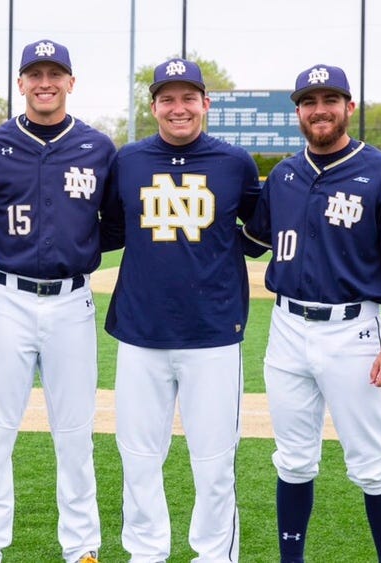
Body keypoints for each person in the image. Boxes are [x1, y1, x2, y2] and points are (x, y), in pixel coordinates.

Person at [242, 64, 381, 562]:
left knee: (373, 464)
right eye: (309, 102)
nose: (319, 110)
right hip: (286, 331)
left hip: (354, 332)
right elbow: (251, 242)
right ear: (297, 112)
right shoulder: (284, 174)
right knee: (294, 460)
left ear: (349, 107)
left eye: (329, 100)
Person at [99, 58, 262, 562]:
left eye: (188, 97)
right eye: (167, 99)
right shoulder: (127, 161)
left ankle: (214, 554)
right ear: (153, 107)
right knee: (139, 456)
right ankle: (146, 552)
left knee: (214, 461)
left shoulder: (235, 163)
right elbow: (109, 230)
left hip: (213, 334)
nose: (178, 108)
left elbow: (259, 238)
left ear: (205, 104)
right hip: (141, 332)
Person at [0, 39, 116, 563]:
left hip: (73, 302)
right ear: (21, 82)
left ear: (72, 82)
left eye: (55, 73)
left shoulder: (98, 147)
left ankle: (82, 548)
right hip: (7, 298)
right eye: (35, 73)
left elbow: (114, 226)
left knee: (75, 432)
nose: (45, 82)